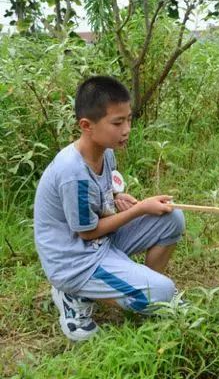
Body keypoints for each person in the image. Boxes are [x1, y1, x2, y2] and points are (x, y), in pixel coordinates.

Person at [34, 76, 185, 342]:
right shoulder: (73, 173)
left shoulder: (105, 151)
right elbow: (88, 233)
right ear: (86, 126)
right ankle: (73, 295)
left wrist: (118, 196)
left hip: (101, 244)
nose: (126, 129)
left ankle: (136, 283)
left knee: (172, 217)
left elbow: (106, 190)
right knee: (164, 294)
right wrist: (139, 210)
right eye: (117, 122)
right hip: (76, 261)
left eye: (128, 119)